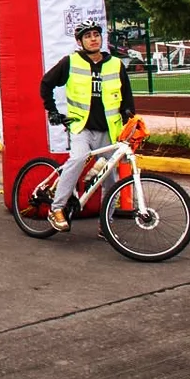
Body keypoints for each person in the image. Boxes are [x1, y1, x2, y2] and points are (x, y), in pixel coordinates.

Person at [39, 19, 135, 233]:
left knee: (111, 177)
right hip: (81, 127)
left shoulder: (116, 64)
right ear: (80, 41)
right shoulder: (70, 62)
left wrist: (131, 120)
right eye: (88, 36)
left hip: (109, 130)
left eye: (96, 35)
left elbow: (127, 100)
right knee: (79, 159)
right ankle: (56, 208)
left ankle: (106, 224)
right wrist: (52, 110)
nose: (93, 39)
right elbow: (46, 83)